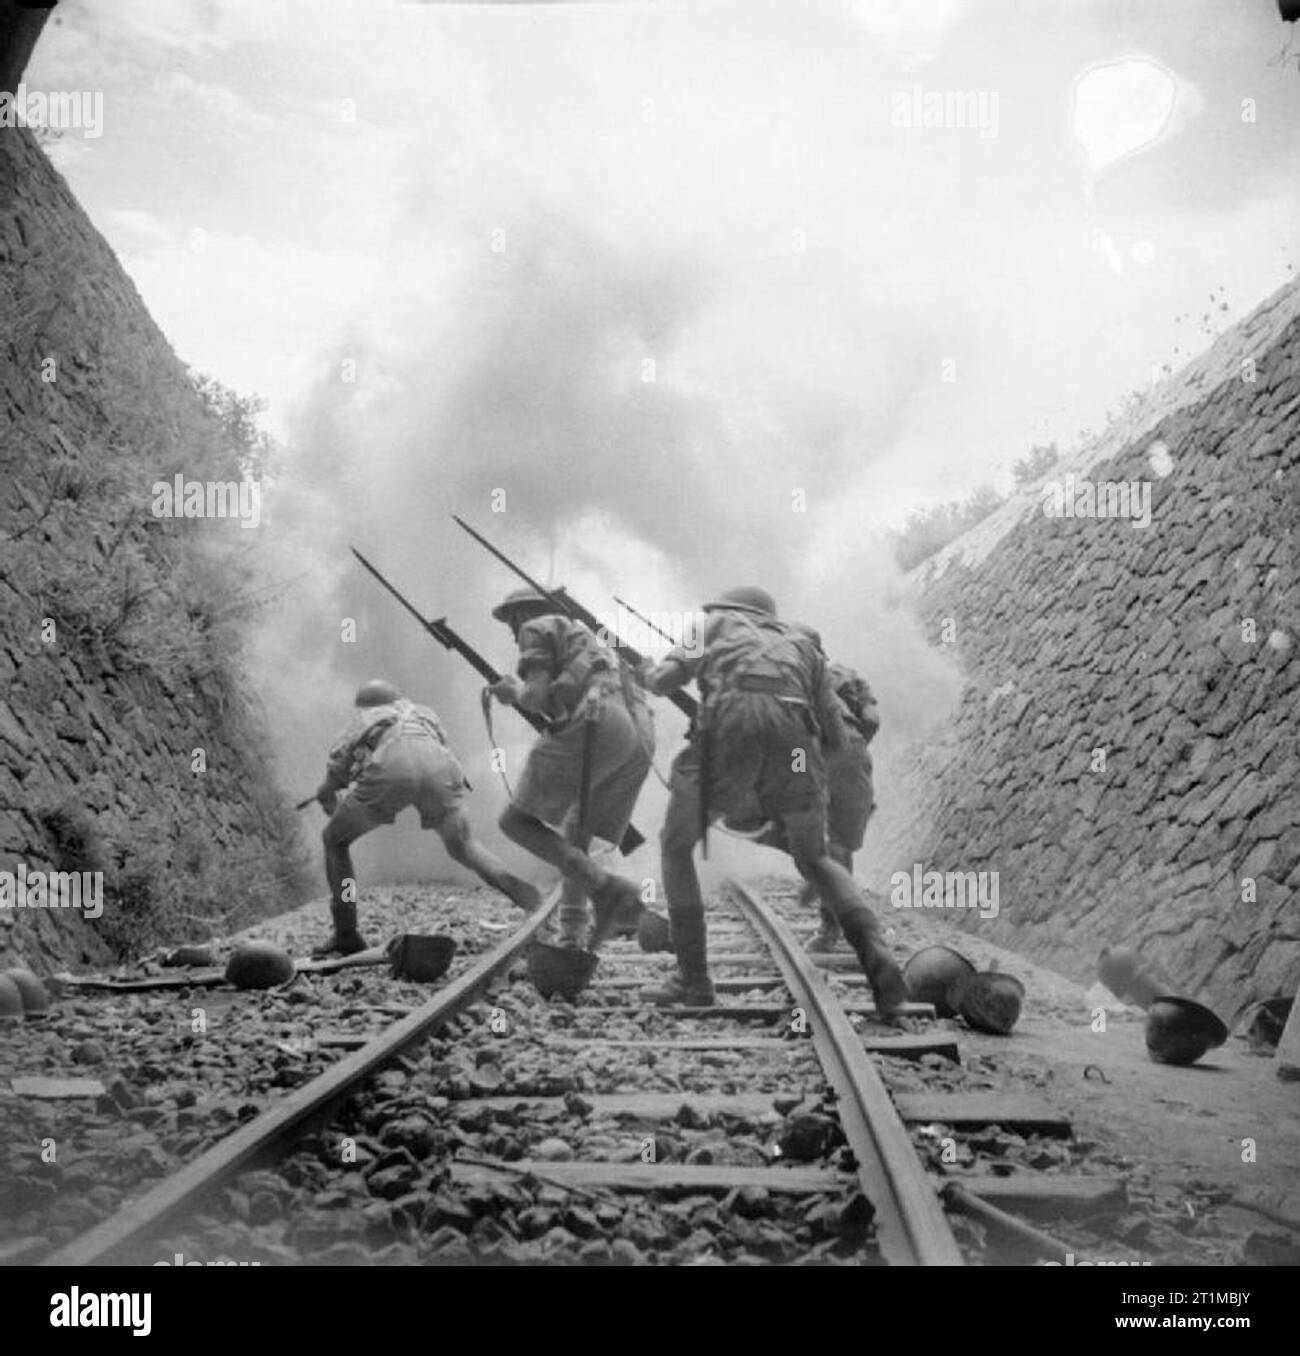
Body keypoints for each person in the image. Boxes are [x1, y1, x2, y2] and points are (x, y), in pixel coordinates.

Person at [640, 586, 907, 1015]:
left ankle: (694, 981)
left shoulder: (708, 625)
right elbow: (836, 738)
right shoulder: (805, 649)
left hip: (731, 725)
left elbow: (664, 681)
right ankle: (875, 950)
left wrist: (647, 672)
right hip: (797, 742)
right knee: (816, 860)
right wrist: (796, 778)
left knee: (676, 847)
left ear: (728, 609)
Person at [312, 679, 541, 957]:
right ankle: (526, 897)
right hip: (440, 765)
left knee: (334, 842)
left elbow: (336, 772)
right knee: (464, 845)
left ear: (365, 705)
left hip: (392, 768)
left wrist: (328, 797)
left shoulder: (365, 717)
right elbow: (439, 746)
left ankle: (346, 932)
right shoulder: (422, 713)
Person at [489, 587, 654, 949]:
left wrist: (510, 693)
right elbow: (562, 695)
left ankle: (607, 889)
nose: (512, 632)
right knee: (576, 831)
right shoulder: (592, 642)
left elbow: (533, 696)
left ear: (521, 615)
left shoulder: (538, 627)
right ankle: (572, 935)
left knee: (514, 823)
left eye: (510, 622)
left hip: (603, 720)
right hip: (640, 733)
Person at [789, 624, 881, 953]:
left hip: (806, 753)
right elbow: (871, 718)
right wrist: (852, 754)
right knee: (840, 844)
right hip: (852, 754)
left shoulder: (789, 676)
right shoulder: (846, 674)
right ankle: (840, 925)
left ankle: (830, 927)